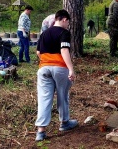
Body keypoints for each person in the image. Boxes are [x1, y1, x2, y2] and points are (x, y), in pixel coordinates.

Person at [34, 9, 78, 141]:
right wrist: (71, 69)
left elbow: (38, 52)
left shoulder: (45, 33)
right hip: (60, 68)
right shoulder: (64, 33)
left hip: (43, 69)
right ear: (64, 19)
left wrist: (46, 62)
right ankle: (64, 122)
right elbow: (64, 50)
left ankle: (41, 131)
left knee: (44, 99)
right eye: (68, 22)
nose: (68, 25)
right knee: (62, 95)